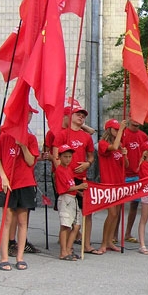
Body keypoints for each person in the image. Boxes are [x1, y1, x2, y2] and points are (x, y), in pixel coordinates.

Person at [0, 113, 40, 271]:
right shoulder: (5, 135)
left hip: (25, 183)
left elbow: (30, 161)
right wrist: (3, 177)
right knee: (7, 221)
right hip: (8, 183)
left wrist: (23, 146)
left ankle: (20, 257)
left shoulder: (31, 138)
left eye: (30, 114)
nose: (28, 116)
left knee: (22, 221)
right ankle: (4, 257)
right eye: (25, 113)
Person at [53, 105, 96, 254]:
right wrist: (63, 174)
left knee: (86, 212)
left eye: (83, 115)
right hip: (67, 179)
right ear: (70, 115)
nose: (81, 117)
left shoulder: (86, 136)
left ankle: (86, 244)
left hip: (81, 177)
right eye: (78, 114)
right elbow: (55, 155)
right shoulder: (63, 134)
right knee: (67, 214)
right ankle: (65, 248)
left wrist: (88, 163)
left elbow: (91, 155)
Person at [97, 119, 128, 253]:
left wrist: (125, 155)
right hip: (108, 183)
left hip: (118, 183)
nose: (118, 131)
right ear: (109, 130)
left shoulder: (119, 144)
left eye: (119, 129)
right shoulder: (102, 144)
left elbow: (125, 165)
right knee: (112, 213)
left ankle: (110, 241)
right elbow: (113, 148)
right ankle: (104, 242)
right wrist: (122, 129)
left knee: (116, 214)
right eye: (115, 129)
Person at [54, 144, 87, 260]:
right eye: (65, 157)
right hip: (65, 198)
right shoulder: (59, 170)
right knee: (66, 226)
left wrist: (79, 192)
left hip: (73, 198)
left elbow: (71, 184)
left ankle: (69, 248)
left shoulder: (69, 169)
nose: (68, 159)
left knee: (77, 225)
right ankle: (63, 251)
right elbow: (64, 188)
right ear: (60, 157)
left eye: (69, 156)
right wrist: (80, 186)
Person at [121, 119, 148, 243]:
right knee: (118, 205)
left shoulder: (143, 136)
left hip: (138, 175)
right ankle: (112, 234)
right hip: (124, 174)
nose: (136, 122)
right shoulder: (123, 134)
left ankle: (127, 233)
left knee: (134, 204)